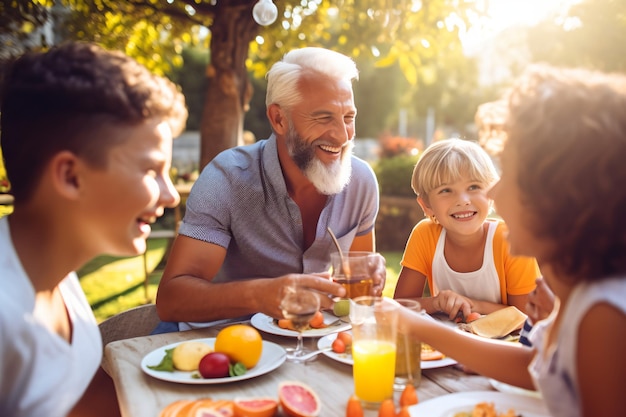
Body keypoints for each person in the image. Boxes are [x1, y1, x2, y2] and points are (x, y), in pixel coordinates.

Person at [397, 64, 626, 417]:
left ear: (556, 197)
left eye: (511, 176)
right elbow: (534, 367)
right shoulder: (580, 297)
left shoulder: (605, 316)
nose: (495, 194)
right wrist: (418, 324)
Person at [0, 42, 187, 417]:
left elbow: (83, 399)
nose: (170, 196)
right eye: (151, 170)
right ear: (70, 176)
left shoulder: (57, 272)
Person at [155, 47, 385, 332]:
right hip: (216, 344)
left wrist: (370, 279)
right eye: (323, 118)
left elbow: (357, 295)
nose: (342, 135)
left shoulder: (361, 181)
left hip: (307, 341)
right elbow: (170, 300)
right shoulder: (226, 178)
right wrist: (259, 295)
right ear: (279, 119)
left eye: (348, 117)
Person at [393, 138, 540, 320]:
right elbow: (398, 307)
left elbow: (528, 317)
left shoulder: (510, 240)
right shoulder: (425, 235)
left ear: (491, 193)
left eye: (474, 187)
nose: (463, 200)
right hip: (446, 345)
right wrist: (436, 302)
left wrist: (472, 304)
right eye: (446, 190)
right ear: (426, 205)